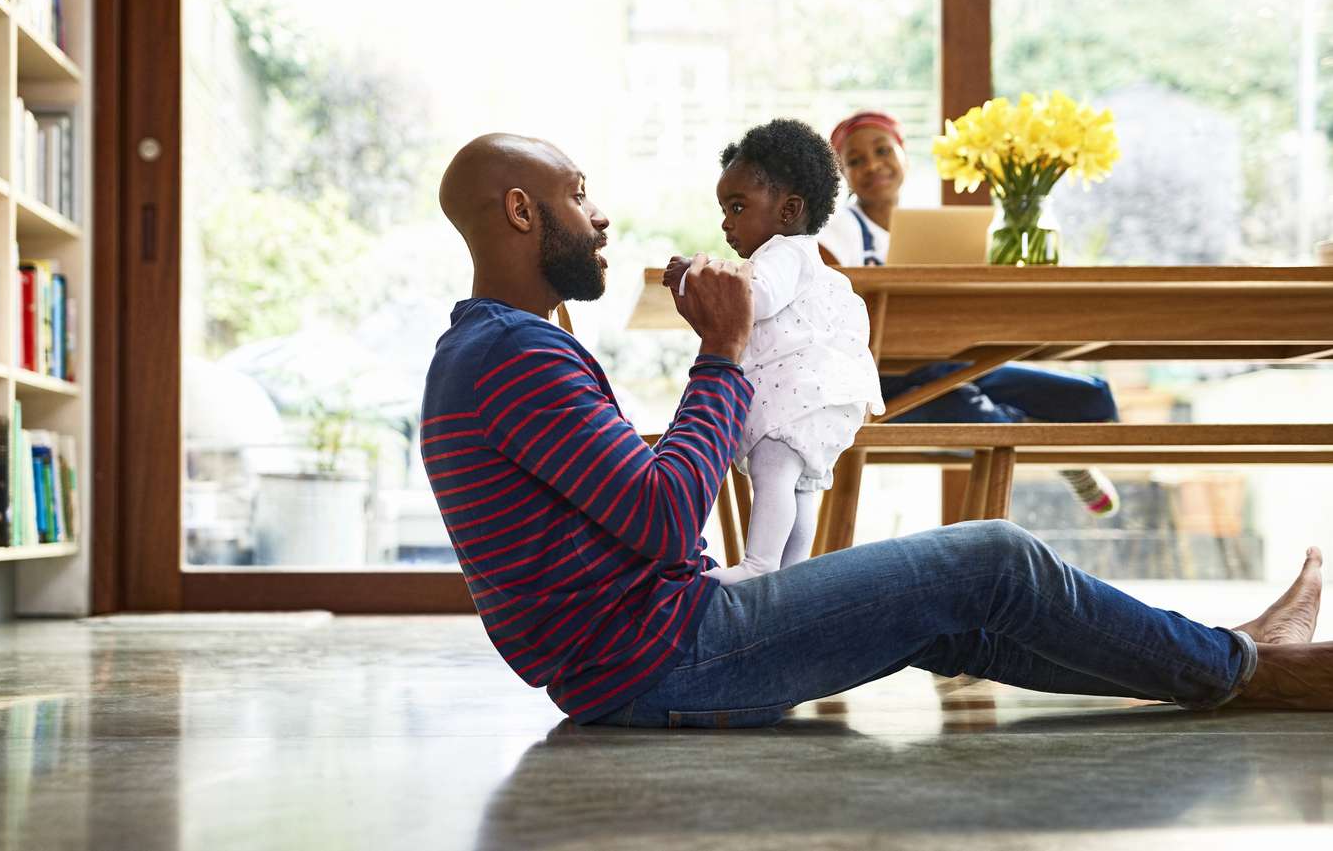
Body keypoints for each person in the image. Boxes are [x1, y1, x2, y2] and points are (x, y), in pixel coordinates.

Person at [421, 131, 1332, 728]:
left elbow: (639, 505)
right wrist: (726, 351)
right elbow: (666, 517)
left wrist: (721, 383)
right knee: (991, 559)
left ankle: (1222, 659)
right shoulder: (515, 356)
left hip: (637, 662)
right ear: (521, 212)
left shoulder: (492, 351)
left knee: (964, 617)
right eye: (581, 195)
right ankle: (1252, 665)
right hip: (668, 657)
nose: (603, 215)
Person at [821, 110, 1122, 519]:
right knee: (976, 418)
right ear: (843, 175)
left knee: (1092, 399)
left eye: (882, 150)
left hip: (952, 362)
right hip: (887, 380)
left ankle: (1030, 433)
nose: (873, 165)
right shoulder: (836, 230)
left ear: (904, 154)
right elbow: (828, 310)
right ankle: (1052, 450)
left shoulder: (939, 230)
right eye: (854, 161)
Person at [662, 119, 882, 584]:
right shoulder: (800, 254)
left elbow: (750, 300)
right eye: (724, 209)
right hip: (812, 398)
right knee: (798, 486)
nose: (726, 223)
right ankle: (790, 576)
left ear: (789, 210)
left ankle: (760, 564)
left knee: (773, 474)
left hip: (793, 398)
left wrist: (692, 275)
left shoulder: (782, 253)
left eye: (737, 207)